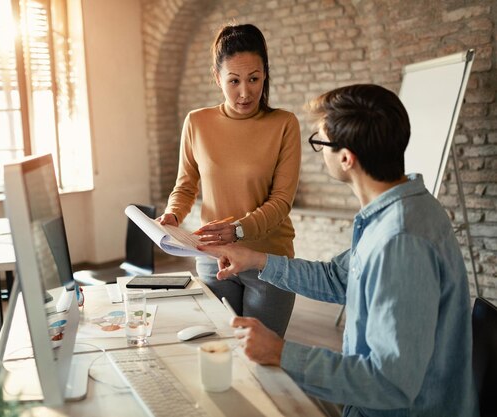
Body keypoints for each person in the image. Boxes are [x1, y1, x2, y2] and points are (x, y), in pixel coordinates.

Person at [199, 84, 479, 417]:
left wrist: (281, 352)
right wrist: (256, 259)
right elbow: (338, 279)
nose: (318, 153)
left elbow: (390, 383)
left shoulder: (401, 242)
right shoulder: (400, 209)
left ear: (346, 158)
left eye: (320, 142)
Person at [158, 23, 301, 337]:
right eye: (234, 81)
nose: (245, 92)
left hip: (268, 262)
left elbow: (281, 202)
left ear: (266, 74)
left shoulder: (284, 124)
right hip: (213, 259)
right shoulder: (197, 122)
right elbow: (185, 185)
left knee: (260, 356)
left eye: (254, 79)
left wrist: (238, 229)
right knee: (219, 349)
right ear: (216, 77)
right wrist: (172, 215)